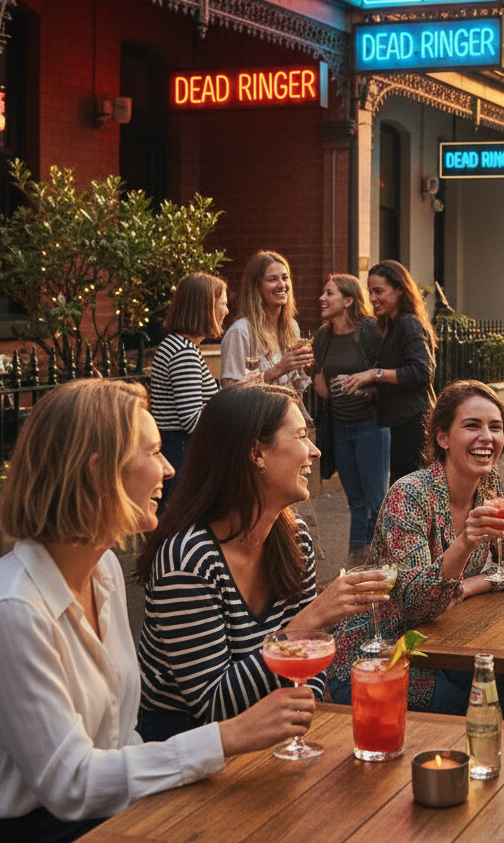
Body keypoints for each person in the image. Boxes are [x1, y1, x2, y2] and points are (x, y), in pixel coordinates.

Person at [0, 380, 315, 843]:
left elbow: (122, 737)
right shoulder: (17, 609)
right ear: (98, 471)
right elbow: (69, 784)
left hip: (121, 809)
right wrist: (226, 738)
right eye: (152, 452)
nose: (169, 469)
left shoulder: (103, 570)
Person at [136, 382, 388, 741]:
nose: (314, 451)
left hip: (275, 727)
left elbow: (309, 663)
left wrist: (300, 724)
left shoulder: (293, 537)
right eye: (301, 436)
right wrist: (308, 621)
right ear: (256, 453)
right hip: (187, 743)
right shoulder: (188, 556)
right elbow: (214, 705)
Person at [325, 380, 504, 720]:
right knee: (473, 708)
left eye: (495, 427)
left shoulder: (491, 487)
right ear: (443, 438)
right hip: (378, 656)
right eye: (472, 426)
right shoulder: (408, 496)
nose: (487, 437)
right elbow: (415, 604)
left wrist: (468, 587)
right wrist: (465, 543)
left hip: (440, 642)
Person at [332, 259, 436, 485]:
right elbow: (399, 377)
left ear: (400, 290)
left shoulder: (408, 323)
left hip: (414, 426)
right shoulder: (392, 324)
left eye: (379, 291)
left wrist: (373, 374)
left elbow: (421, 373)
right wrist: (368, 389)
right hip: (401, 425)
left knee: (407, 494)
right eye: (370, 292)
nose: (372, 299)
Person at [312, 274, 388, 566]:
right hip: (340, 428)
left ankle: (379, 559)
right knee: (355, 502)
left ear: (347, 301)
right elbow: (322, 385)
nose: (322, 298)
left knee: (376, 501)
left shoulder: (369, 331)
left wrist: (364, 386)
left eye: (329, 293)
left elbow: (387, 376)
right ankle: (357, 560)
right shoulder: (323, 336)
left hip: (371, 426)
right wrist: (322, 381)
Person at [149, 271, 227, 511]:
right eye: (223, 304)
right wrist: (229, 403)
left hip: (174, 447)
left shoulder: (176, 345)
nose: (225, 311)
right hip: (180, 451)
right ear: (207, 308)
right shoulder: (184, 352)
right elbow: (192, 420)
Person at [219, 250, 313, 393]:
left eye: (285, 277)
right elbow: (230, 392)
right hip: (257, 415)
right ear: (256, 287)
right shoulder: (241, 331)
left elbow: (296, 387)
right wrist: (277, 370)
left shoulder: (292, 326)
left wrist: (307, 369)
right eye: (272, 279)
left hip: (289, 411)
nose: (282, 285)